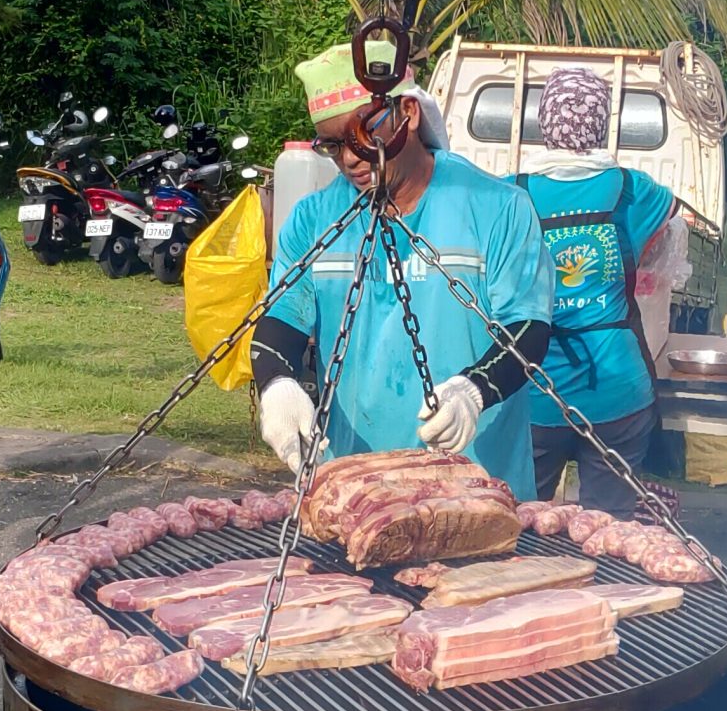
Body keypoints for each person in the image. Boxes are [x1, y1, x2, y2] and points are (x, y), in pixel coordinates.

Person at [251, 41, 554, 496]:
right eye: (333, 146)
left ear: (408, 113)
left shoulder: (497, 206)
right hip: (356, 484)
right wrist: (276, 383)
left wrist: (475, 391)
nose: (350, 159)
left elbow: (528, 326)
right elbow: (282, 319)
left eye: (361, 136)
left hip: (478, 482)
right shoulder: (315, 218)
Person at [512, 65, 685, 511]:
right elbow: (673, 239)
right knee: (610, 534)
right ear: (601, 123)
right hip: (618, 392)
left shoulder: (512, 195)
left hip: (535, 395)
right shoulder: (631, 190)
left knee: (519, 530)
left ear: (544, 122)